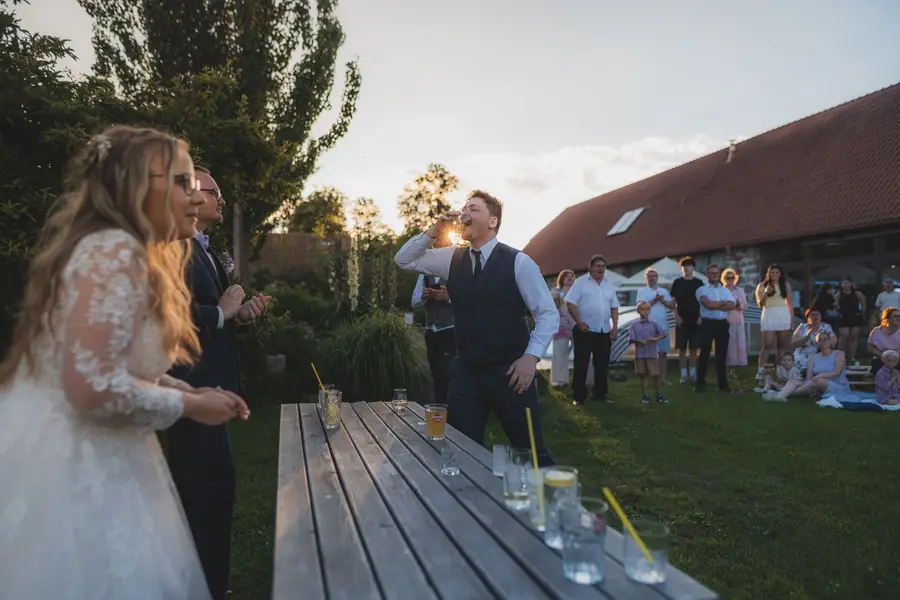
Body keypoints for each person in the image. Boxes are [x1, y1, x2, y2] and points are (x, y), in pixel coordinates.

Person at [0, 126, 249, 599]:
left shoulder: (136, 254)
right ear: (139, 188)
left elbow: (122, 367)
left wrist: (187, 390)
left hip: (116, 454)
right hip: (72, 465)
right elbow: (90, 387)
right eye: (183, 183)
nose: (197, 196)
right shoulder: (113, 252)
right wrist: (190, 407)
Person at [394, 190, 558, 466]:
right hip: (466, 373)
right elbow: (404, 260)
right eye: (464, 208)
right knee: (461, 452)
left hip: (511, 373)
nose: (464, 213)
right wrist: (434, 231)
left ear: (493, 222)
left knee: (531, 451)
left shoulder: (518, 262)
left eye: (473, 208)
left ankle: (551, 493)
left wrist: (530, 358)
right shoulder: (450, 258)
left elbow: (548, 314)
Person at [166, 167, 269, 600]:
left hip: (211, 389)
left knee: (213, 489)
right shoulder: (174, 247)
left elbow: (213, 313)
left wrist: (238, 316)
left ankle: (209, 583)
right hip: (191, 388)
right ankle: (204, 586)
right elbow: (169, 317)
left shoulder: (203, 247)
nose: (221, 200)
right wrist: (222, 312)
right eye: (215, 192)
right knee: (205, 493)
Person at [566, 255, 620, 405]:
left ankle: (600, 395)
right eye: (598, 266)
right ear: (590, 267)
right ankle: (578, 396)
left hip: (604, 330)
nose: (600, 269)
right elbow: (570, 303)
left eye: (603, 266)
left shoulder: (608, 285)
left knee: (602, 364)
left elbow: (614, 307)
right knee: (581, 364)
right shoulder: (581, 282)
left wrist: (615, 327)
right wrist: (579, 322)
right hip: (585, 330)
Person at [411, 269, 457, 402]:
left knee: (449, 376)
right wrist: (423, 297)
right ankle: (440, 410)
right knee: (436, 376)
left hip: (450, 331)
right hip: (431, 333)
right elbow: (414, 302)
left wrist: (449, 297)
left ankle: (451, 411)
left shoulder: (455, 272)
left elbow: (469, 300)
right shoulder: (424, 274)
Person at [694, 264, 734, 393]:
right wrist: (723, 303)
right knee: (704, 353)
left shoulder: (725, 290)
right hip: (707, 323)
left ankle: (722, 384)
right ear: (707, 275)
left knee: (721, 354)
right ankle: (700, 383)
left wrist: (716, 304)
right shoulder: (702, 289)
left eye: (716, 273)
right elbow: (708, 304)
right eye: (711, 273)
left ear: (719, 274)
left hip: (722, 324)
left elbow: (731, 305)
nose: (714, 275)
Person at [755, 264, 793, 382]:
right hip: (769, 314)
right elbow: (760, 304)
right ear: (768, 274)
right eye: (772, 272)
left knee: (781, 346)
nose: (774, 275)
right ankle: (760, 371)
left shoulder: (785, 285)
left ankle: (781, 371)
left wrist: (791, 320)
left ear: (780, 274)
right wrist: (766, 293)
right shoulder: (762, 285)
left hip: (782, 315)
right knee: (767, 344)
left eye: (777, 272)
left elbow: (790, 304)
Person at [636, 268, 674, 384]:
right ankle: (648, 379)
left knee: (663, 353)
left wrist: (662, 301)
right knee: (648, 354)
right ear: (646, 278)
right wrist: (655, 300)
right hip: (647, 327)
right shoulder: (642, 291)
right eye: (649, 276)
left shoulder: (664, 291)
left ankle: (662, 379)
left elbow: (672, 306)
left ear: (657, 278)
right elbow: (641, 308)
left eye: (653, 276)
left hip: (662, 326)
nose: (652, 278)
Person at [670, 256, 703, 384]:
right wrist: (676, 316)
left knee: (694, 349)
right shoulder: (677, 283)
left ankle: (693, 374)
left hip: (696, 319)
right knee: (682, 349)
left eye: (688, 266)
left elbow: (703, 302)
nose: (686, 268)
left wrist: (701, 316)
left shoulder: (699, 283)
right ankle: (683, 375)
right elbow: (672, 302)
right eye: (684, 266)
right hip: (681, 320)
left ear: (693, 268)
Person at [629, 301, 668, 404]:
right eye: (643, 309)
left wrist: (655, 339)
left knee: (656, 375)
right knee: (643, 375)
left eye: (647, 309)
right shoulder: (634, 325)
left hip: (652, 353)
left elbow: (664, 334)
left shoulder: (654, 324)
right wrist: (639, 341)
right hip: (641, 355)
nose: (645, 312)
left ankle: (658, 394)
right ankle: (645, 395)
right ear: (638, 311)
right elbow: (631, 339)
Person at [793, 331, 851, 398]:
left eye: (825, 339)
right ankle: (784, 394)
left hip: (838, 386)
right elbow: (809, 378)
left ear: (830, 341)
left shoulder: (839, 354)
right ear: (817, 342)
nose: (823, 341)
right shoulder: (813, 357)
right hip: (818, 385)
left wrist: (820, 376)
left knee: (818, 382)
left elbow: (837, 373)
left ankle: (791, 394)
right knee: (793, 381)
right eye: (820, 340)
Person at [550, 269, 576, 387]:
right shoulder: (555, 293)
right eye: (566, 276)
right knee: (560, 354)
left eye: (571, 276)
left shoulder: (578, 292)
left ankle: (586, 380)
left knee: (582, 354)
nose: (569, 278)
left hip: (578, 325)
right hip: (561, 327)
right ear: (561, 279)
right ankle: (559, 381)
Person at [722, 268, 748, 380]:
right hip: (726, 318)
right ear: (724, 279)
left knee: (736, 344)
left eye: (732, 278)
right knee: (727, 344)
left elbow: (745, 305)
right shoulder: (722, 290)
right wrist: (730, 305)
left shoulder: (740, 290)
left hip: (737, 319)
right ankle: (725, 371)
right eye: (728, 278)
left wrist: (739, 305)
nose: (730, 280)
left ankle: (733, 371)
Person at [836, 278, 866, 361]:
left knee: (854, 336)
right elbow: (835, 304)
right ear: (842, 285)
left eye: (848, 283)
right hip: (844, 316)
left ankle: (852, 357)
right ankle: (839, 356)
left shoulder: (857, 293)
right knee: (844, 335)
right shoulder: (839, 294)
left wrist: (862, 313)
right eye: (844, 283)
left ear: (851, 284)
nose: (846, 285)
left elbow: (863, 303)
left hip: (855, 315)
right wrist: (838, 311)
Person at [867, 307, 900, 373]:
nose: (899, 318)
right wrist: (884, 355)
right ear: (888, 319)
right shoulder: (877, 332)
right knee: (878, 369)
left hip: (898, 360)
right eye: (895, 316)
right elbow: (871, 348)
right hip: (881, 359)